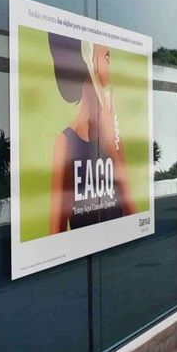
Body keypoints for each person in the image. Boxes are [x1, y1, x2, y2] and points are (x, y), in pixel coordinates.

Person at [47, 33, 135, 233]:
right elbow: (55, 233)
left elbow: (134, 221)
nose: (110, 65)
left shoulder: (113, 132)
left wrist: (114, 151)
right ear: (89, 61)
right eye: (107, 57)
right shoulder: (66, 142)